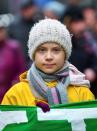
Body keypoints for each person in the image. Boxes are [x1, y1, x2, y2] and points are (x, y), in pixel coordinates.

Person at [1, 19, 95, 112]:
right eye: (42, 50)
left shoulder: (82, 93)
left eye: (56, 50)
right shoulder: (16, 95)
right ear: (33, 54)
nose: (49, 57)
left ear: (65, 54)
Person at [0, 16, 26, 103]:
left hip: (10, 93)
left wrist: (15, 83)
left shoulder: (13, 47)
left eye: (1, 30)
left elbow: (21, 69)